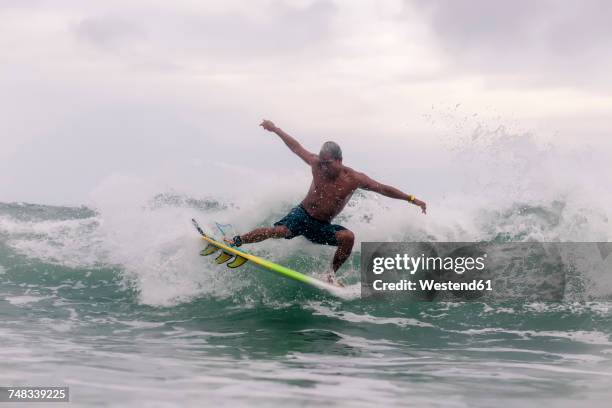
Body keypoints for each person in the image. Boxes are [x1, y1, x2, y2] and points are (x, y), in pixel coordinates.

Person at [224, 120, 427, 286]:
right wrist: (275, 129)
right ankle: (236, 241)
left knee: (348, 237)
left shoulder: (354, 179)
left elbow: (383, 189)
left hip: (321, 227)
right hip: (301, 215)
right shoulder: (316, 164)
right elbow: (296, 147)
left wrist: (411, 199)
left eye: (328, 163)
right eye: (322, 162)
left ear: (339, 160)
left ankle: (330, 275)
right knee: (279, 231)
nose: (324, 167)